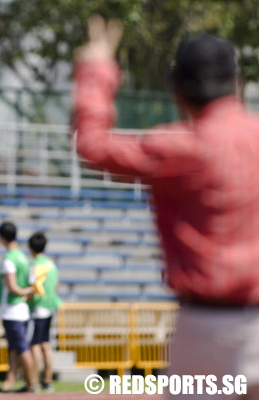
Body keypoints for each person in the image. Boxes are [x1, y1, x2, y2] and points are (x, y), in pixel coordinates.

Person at [74, 15, 259, 399]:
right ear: (237, 85)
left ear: (177, 92)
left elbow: (92, 144)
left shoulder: (175, 148)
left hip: (204, 326)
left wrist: (97, 68)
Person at [0, 221, 36, 393]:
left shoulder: (9, 259)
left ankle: (31, 384)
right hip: (22, 309)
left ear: (2, 238)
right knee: (13, 349)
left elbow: (12, 286)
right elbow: (32, 284)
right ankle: (9, 382)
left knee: (21, 348)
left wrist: (26, 291)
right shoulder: (24, 258)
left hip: (12, 310)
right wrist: (29, 291)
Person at [27, 232, 61, 393]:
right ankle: (47, 381)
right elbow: (55, 287)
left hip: (38, 307)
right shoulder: (51, 264)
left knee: (35, 344)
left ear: (30, 248)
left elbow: (33, 288)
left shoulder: (35, 265)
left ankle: (32, 381)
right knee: (46, 344)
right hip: (51, 306)